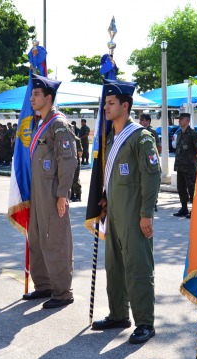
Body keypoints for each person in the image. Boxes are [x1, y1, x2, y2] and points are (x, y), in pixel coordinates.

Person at [90, 79, 161, 345]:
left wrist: (146, 214)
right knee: (115, 266)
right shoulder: (111, 138)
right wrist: (107, 199)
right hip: (115, 214)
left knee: (138, 268)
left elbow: (151, 175)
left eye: (110, 104)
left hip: (134, 216)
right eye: (105, 103)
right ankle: (119, 314)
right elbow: (117, 178)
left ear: (125, 105)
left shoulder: (140, 137)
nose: (105, 108)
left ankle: (145, 322)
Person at [22, 74, 77, 309]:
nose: (32, 98)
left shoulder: (58, 124)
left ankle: (63, 291)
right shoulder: (40, 124)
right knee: (36, 238)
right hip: (38, 192)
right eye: (32, 94)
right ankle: (43, 285)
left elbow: (68, 160)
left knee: (55, 240)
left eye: (36, 94)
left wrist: (63, 193)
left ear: (49, 98)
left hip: (53, 192)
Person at [172, 112, 197, 218]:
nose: (179, 121)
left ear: (187, 121)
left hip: (189, 167)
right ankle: (184, 208)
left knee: (192, 189)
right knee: (181, 188)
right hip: (180, 166)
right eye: (179, 119)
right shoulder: (179, 133)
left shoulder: (193, 134)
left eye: (181, 119)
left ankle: (194, 210)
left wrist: (192, 160)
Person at [70, 121, 83, 202]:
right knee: (70, 179)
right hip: (69, 162)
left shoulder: (77, 140)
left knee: (75, 179)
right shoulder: (68, 139)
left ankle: (78, 195)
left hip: (76, 162)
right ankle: (72, 195)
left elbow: (80, 152)